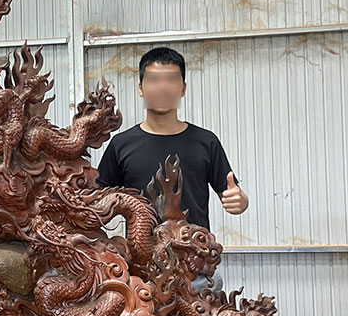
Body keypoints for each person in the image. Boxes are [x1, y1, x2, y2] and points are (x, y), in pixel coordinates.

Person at [94, 46, 249, 292]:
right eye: (154, 80)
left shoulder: (205, 141)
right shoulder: (121, 145)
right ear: (141, 88)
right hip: (140, 274)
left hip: (196, 271)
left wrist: (239, 201)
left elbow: (232, 194)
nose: (162, 87)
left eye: (171, 79)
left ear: (183, 88)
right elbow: (96, 201)